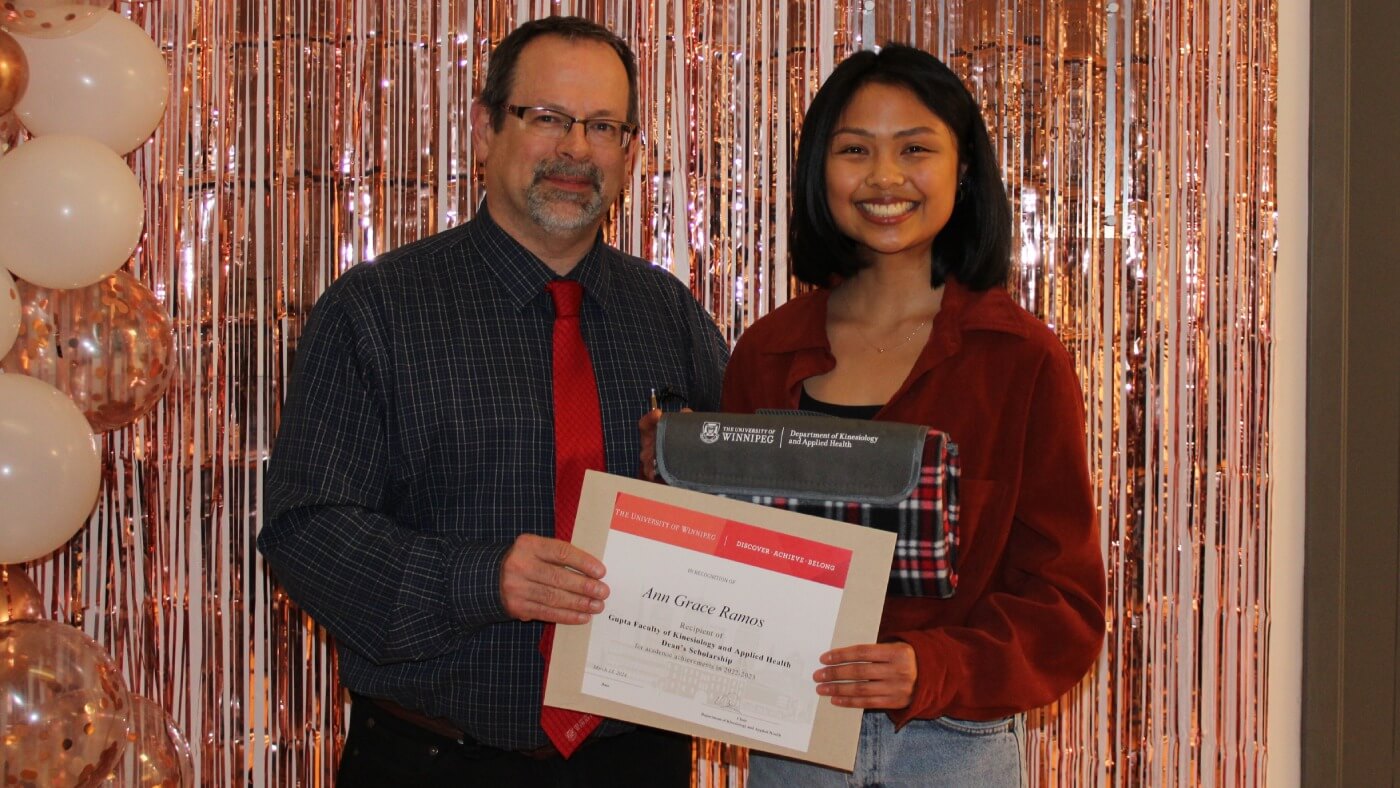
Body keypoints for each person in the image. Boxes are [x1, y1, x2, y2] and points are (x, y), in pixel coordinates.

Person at [259, 16, 727, 787]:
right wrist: (483, 580)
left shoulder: (671, 317)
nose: (576, 149)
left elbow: (747, 510)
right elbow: (306, 534)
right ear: (483, 130)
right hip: (431, 759)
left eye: (603, 126)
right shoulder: (376, 310)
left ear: (632, 155)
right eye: (546, 118)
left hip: (635, 760)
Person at [642, 45, 1104, 786]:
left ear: (962, 167)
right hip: (792, 737)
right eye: (855, 150)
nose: (885, 178)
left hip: (953, 744)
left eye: (914, 149)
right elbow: (729, 563)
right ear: (820, 171)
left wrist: (934, 666)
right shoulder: (767, 352)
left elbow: (1065, 603)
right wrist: (675, 487)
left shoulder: (1018, 360)